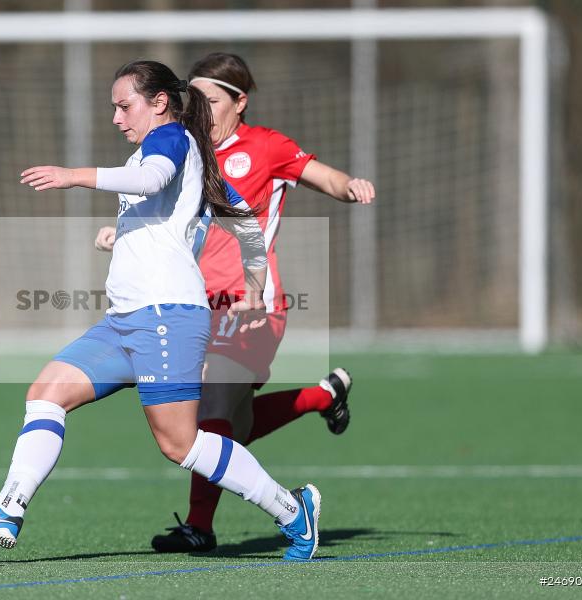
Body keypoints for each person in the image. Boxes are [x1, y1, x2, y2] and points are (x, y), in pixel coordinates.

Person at [0, 60, 324, 562]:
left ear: (159, 102)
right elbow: (238, 218)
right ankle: (8, 508)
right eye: (114, 108)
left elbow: (154, 179)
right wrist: (124, 236)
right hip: (123, 319)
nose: (117, 117)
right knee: (45, 394)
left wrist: (72, 176)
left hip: (167, 316)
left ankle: (293, 512)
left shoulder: (170, 141)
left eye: (125, 106)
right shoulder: (183, 157)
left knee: (182, 445)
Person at [95, 52, 376, 553]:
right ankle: (322, 396)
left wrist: (348, 187)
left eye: (211, 100)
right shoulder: (186, 148)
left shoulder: (265, 147)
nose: (200, 108)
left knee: (210, 414)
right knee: (234, 426)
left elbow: (323, 176)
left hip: (249, 302)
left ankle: (201, 526)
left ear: (239, 102)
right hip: (190, 303)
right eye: (194, 99)